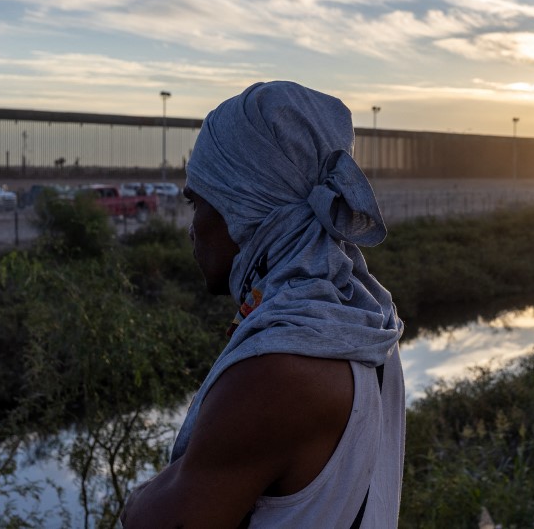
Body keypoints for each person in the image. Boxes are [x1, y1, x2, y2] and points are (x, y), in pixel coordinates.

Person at [120, 81, 405, 528]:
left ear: (245, 207)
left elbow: (156, 521)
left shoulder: (278, 369)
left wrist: (141, 496)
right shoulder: (362, 319)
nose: (192, 228)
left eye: (197, 202)